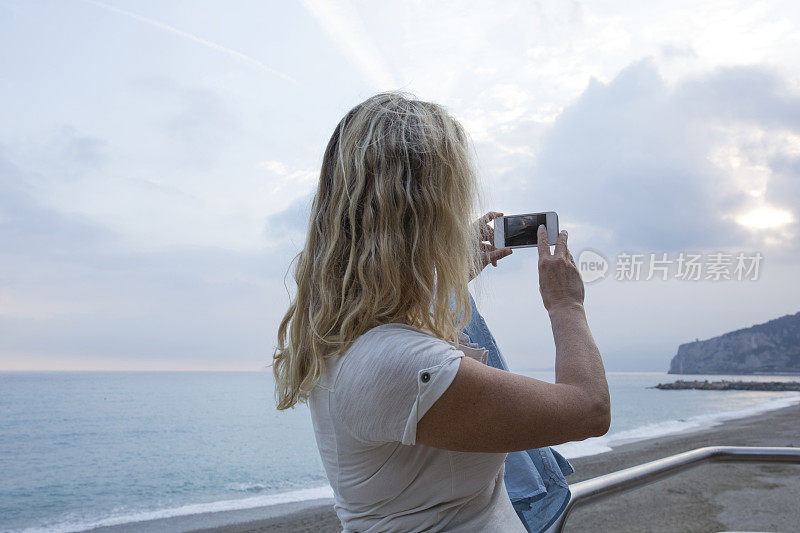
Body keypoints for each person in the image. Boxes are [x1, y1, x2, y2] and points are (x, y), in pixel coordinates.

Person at [272, 91, 610, 532]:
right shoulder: (399, 364)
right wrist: (566, 304)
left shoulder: (353, 336)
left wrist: (447, 273)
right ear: (431, 216)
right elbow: (589, 409)